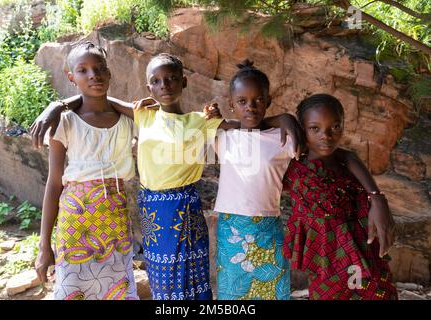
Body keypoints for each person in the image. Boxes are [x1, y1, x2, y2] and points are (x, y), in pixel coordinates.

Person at [30, 53, 303, 300]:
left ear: (184, 82)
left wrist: (284, 119)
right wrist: (58, 105)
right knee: (163, 280)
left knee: (193, 277)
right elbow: (99, 98)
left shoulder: (202, 121)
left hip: (187, 205)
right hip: (153, 209)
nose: (165, 85)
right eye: (157, 81)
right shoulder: (142, 115)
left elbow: (247, 123)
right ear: (149, 87)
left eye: (172, 79)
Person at [34, 41, 139, 300]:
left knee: (118, 291)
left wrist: (60, 102)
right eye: (83, 70)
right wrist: (44, 245)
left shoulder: (127, 121)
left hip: (115, 220)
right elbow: (54, 184)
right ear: (71, 77)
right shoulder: (65, 122)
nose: (93, 75)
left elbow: (156, 116)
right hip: (74, 224)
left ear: (109, 73)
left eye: (100, 68)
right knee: (73, 291)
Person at [282, 93, 398, 300]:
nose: (325, 136)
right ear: (301, 130)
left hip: (364, 257)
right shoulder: (293, 165)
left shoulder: (346, 163)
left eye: (335, 127)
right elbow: (253, 126)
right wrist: (283, 119)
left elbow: (350, 158)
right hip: (325, 265)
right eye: (314, 128)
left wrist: (378, 199)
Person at [213, 60, 294, 300]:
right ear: (231, 104)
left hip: (268, 228)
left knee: (272, 290)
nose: (251, 107)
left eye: (258, 100)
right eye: (242, 101)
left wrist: (283, 119)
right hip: (231, 228)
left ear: (268, 101)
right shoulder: (222, 136)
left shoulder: (283, 139)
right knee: (233, 293)